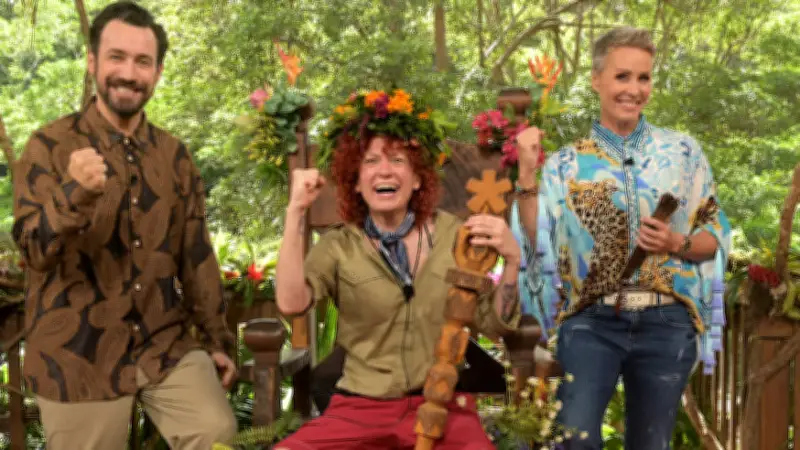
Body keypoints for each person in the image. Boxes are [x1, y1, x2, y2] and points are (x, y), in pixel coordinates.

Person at [11, 2, 237, 448]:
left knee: (215, 432)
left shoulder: (174, 156)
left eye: (142, 62)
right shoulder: (48, 146)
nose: (129, 74)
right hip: (76, 355)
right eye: (117, 57)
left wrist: (217, 341)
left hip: (163, 343)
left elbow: (196, 255)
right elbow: (33, 252)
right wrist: (73, 193)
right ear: (93, 62)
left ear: (157, 72)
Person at [511, 27, 731, 449]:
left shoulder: (683, 153)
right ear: (597, 80)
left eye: (643, 77)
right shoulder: (565, 164)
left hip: (667, 322)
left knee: (651, 443)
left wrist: (675, 243)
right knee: (574, 437)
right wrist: (525, 173)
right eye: (622, 76)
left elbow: (713, 236)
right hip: (590, 321)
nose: (634, 89)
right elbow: (537, 238)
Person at [273, 89, 521, 450]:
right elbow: (291, 303)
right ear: (356, 181)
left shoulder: (456, 237)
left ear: (418, 178)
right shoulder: (340, 246)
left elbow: (494, 324)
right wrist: (295, 212)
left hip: (441, 405)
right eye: (371, 161)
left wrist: (512, 262)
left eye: (398, 160)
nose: (384, 170)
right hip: (360, 408)